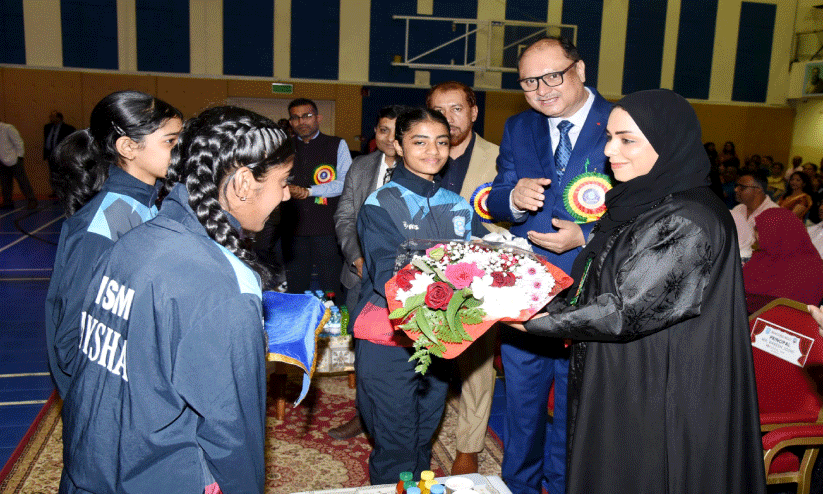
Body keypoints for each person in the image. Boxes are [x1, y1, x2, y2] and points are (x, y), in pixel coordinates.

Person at [509, 89, 767, 494]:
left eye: (627, 139)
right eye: (610, 137)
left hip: (662, 386)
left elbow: (626, 309)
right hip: (628, 369)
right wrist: (531, 297)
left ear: (667, 142)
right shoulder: (644, 201)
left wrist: (536, 320)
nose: (611, 150)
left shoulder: (688, 217)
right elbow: (599, 280)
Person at [59, 106, 293, 494]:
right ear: (243, 183)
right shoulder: (226, 286)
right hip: (161, 474)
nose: (286, 194)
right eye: (283, 181)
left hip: (94, 461)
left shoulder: (133, 240)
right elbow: (232, 428)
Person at [486, 36, 612, 494]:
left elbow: (645, 208)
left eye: (552, 76)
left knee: (578, 404)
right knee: (521, 402)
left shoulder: (619, 123)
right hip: (528, 292)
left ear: (579, 70)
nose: (541, 90)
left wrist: (588, 236)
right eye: (528, 82)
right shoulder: (520, 126)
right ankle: (518, 485)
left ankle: (564, 485)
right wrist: (513, 199)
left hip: (593, 291)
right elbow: (498, 193)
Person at [353, 108, 481, 485]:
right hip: (389, 337)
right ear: (398, 144)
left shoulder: (458, 206)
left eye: (441, 142)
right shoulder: (382, 202)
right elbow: (387, 274)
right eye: (419, 141)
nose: (433, 151)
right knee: (395, 444)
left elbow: (470, 268)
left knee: (423, 436)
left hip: (440, 338)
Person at [45, 91, 182, 399]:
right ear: (128, 147)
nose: (180, 151)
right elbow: (73, 338)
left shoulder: (153, 202)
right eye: (170, 142)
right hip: (112, 395)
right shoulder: (104, 222)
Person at [427, 80, 501, 475]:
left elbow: (508, 218)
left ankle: (469, 446)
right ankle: (421, 431)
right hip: (425, 274)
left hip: (477, 277)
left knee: (476, 364)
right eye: (440, 110)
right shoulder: (420, 151)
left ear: (474, 112)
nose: (449, 118)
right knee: (426, 361)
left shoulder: (499, 158)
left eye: (457, 108)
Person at [328, 104, 406, 440]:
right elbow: (344, 217)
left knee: (401, 353)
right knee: (364, 351)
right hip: (360, 276)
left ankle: (396, 417)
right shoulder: (360, 166)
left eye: (396, 131)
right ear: (374, 133)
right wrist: (357, 257)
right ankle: (364, 414)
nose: (389, 138)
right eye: (382, 130)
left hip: (405, 280)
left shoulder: (421, 168)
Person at [280, 98, 352, 302]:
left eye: (307, 116)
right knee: (295, 290)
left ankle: (336, 331)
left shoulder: (336, 144)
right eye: (295, 117)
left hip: (327, 229)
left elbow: (344, 182)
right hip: (293, 230)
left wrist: (309, 191)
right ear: (290, 122)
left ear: (318, 118)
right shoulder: (283, 147)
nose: (301, 121)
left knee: (332, 289)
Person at [743, 207, 823, 313]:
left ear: (778, 232)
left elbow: (794, 310)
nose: (756, 235)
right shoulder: (762, 256)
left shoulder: (811, 269)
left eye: (760, 230)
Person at [730, 169, 779, 261]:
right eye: (736, 186)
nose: (736, 189)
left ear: (758, 189)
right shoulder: (738, 209)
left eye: (742, 187)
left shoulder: (774, 213)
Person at [0, 119, 38, 209]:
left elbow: (18, 142)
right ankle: (7, 202)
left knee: (22, 181)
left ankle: (32, 200)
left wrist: (20, 156)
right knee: (5, 183)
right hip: (1, 160)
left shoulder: (8, 127)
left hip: (14, 159)